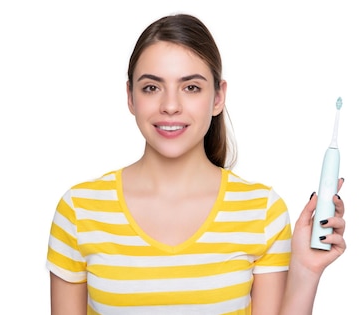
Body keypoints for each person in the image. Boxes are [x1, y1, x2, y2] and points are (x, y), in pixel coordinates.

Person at [46, 13, 346, 315]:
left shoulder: (262, 211)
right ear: (130, 97)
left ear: (218, 97)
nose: (171, 105)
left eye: (191, 87)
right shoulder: (79, 211)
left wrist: (306, 271)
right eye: (152, 87)